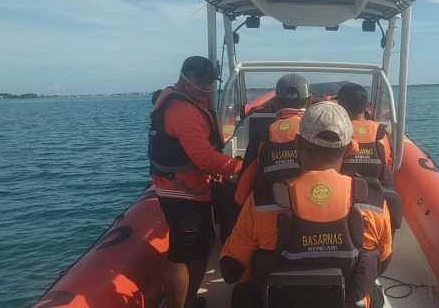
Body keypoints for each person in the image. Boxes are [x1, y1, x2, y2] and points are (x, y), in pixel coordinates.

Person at [220, 102, 392, 308]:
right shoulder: (374, 203)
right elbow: (382, 262)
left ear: (297, 145)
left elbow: (231, 268)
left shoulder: (261, 202)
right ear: (349, 149)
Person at [149, 56, 242, 308]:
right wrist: (241, 167)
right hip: (182, 192)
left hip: (191, 188)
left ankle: (190, 301)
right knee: (183, 252)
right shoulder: (183, 111)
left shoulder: (192, 104)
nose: (207, 85)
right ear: (185, 77)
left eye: (210, 81)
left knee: (203, 244)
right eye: (201, 80)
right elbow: (205, 158)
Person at [233, 73, 310, 207]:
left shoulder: (262, 134)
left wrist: (238, 205)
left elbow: (247, 177)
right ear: (309, 101)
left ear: (275, 102)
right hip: (309, 212)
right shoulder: (316, 130)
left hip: (269, 216)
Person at [336, 83, 393, 187]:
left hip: (346, 192)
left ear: (341, 106)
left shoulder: (338, 129)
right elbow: (387, 162)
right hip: (377, 195)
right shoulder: (379, 131)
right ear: (366, 106)